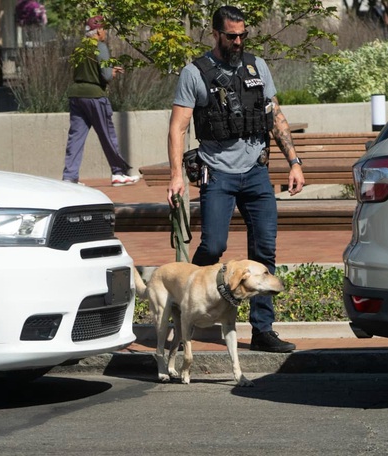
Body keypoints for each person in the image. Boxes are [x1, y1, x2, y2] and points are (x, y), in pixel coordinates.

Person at [167, 5, 305, 353]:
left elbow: (275, 116)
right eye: (232, 36)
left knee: (264, 252)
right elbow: (178, 128)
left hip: (256, 173)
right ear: (216, 34)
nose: (239, 40)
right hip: (218, 172)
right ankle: (186, 307)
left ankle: (262, 331)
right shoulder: (194, 72)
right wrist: (176, 176)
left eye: (243, 35)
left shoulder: (257, 66)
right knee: (213, 246)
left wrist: (294, 162)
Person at [62, 15, 140, 187]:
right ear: (97, 32)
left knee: (76, 137)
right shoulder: (100, 47)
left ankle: (69, 176)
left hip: (76, 95)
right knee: (107, 135)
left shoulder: (78, 48)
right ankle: (118, 173)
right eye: (104, 29)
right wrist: (111, 73)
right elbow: (105, 75)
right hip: (95, 96)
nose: (105, 33)